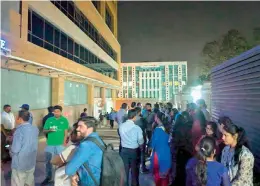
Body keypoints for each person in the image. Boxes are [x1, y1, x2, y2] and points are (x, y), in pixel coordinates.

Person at [65, 117, 104, 186]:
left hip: (89, 181)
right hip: (98, 179)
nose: (77, 129)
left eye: (80, 126)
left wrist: (73, 174)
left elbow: (69, 170)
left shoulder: (86, 145)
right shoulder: (97, 139)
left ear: (90, 128)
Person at [41, 105, 69, 185]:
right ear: (53, 112)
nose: (56, 113)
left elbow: (66, 132)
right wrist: (51, 129)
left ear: (61, 112)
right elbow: (45, 131)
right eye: (55, 111)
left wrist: (64, 142)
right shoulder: (49, 120)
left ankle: (60, 178)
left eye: (58, 111)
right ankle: (48, 177)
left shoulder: (64, 120)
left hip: (60, 145)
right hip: (50, 144)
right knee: (48, 162)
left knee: (61, 162)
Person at [10, 110, 39, 186]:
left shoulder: (19, 131)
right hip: (31, 162)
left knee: (18, 182)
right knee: (29, 182)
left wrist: (10, 149)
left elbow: (15, 149)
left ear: (20, 118)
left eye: (16, 117)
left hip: (20, 164)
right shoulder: (35, 129)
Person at [119, 109, 144, 186]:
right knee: (134, 172)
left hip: (124, 151)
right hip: (134, 151)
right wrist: (141, 148)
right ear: (134, 117)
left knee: (125, 172)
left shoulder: (121, 126)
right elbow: (141, 141)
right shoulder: (137, 128)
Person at [150, 113, 172, 186]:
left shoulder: (157, 130)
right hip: (167, 153)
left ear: (158, 119)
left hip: (158, 154)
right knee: (165, 176)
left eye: (155, 117)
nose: (154, 118)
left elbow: (153, 144)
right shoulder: (168, 128)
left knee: (158, 176)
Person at [134, 107, 149, 173]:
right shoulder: (142, 119)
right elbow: (146, 127)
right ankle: (143, 168)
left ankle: (135, 167)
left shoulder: (132, 120)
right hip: (142, 137)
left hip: (134, 138)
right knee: (142, 153)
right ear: (139, 112)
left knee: (135, 153)